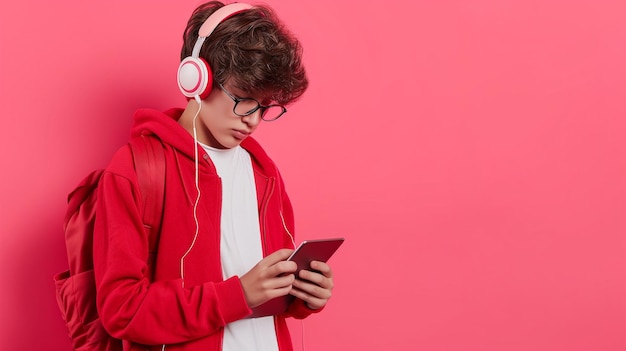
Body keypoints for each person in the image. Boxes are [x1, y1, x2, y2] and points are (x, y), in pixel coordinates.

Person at [92, 2, 334, 350]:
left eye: (265, 106)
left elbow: (269, 290)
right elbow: (123, 311)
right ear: (198, 78)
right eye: (244, 99)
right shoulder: (136, 168)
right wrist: (238, 294)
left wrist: (303, 294)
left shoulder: (264, 173)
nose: (253, 119)